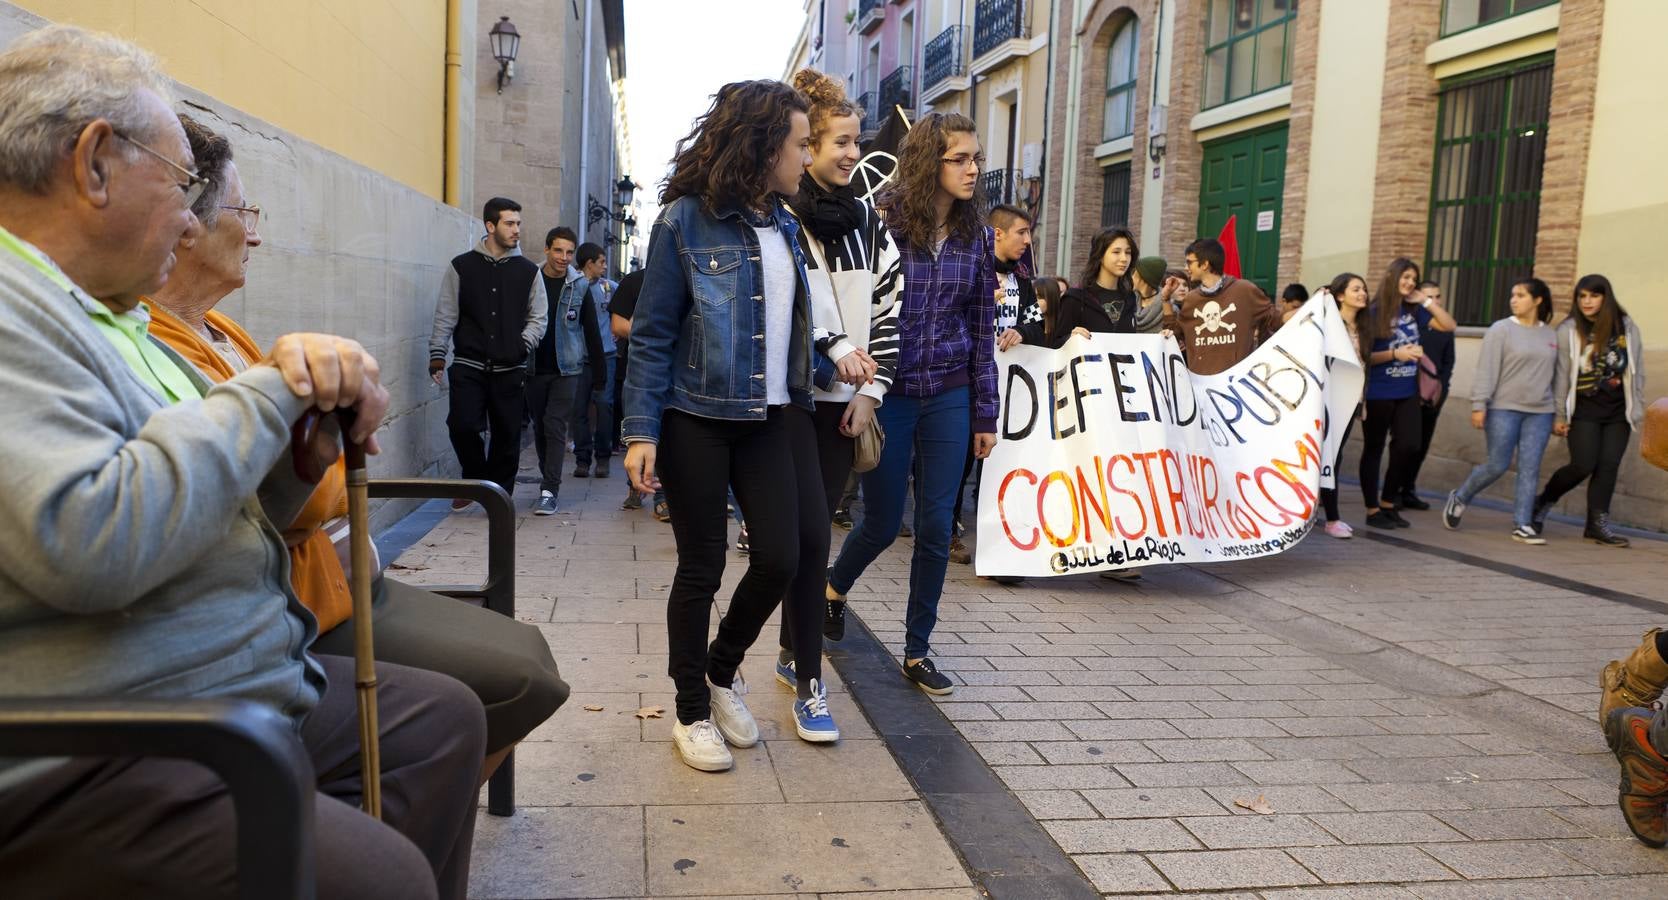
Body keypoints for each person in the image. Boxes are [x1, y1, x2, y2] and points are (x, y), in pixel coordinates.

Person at [0, 26, 481, 899]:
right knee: (384, 878)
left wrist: (305, 447)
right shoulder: (13, 311)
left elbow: (223, 497)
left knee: (439, 723)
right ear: (95, 163)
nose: (194, 217)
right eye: (183, 183)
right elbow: (87, 537)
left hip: (224, 695)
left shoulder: (111, 315)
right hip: (97, 749)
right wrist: (265, 392)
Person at [147, 112, 567, 773]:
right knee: (512, 682)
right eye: (244, 210)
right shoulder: (157, 346)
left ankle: (419, 806)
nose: (257, 233)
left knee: (532, 658)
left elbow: (306, 471)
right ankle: (410, 815)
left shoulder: (224, 331)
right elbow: (301, 499)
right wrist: (330, 460)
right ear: (186, 225)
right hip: (305, 605)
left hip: (338, 581)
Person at [621, 79, 839, 770]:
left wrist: (834, 364)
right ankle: (690, 711)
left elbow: (791, 328)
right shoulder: (684, 221)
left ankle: (720, 674)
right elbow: (652, 333)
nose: (806, 158)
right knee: (702, 567)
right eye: (800, 144)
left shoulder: (784, 225)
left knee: (782, 555)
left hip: (773, 415)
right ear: (763, 142)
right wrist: (639, 430)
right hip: (697, 418)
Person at [825, 111, 1000, 696]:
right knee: (879, 523)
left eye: (976, 158)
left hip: (950, 392)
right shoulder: (885, 223)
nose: (973, 169)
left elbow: (981, 326)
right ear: (930, 162)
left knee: (933, 524)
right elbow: (862, 307)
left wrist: (985, 413)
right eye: (960, 159)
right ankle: (834, 586)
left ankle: (918, 649)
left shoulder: (979, 236)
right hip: (891, 391)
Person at [780, 67, 898, 645]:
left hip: (846, 408)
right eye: (840, 142)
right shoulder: (780, 219)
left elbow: (893, 308)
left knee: (817, 535)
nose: (854, 154)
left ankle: (794, 652)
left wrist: (871, 395)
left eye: (858, 142)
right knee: (790, 539)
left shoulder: (872, 225)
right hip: (790, 399)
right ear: (808, 147)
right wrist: (834, 356)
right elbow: (788, 312)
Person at [429, 196, 548, 500]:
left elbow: (539, 317)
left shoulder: (528, 271)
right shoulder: (461, 266)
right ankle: (475, 480)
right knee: (462, 426)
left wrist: (522, 346)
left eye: (518, 223)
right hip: (469, 365)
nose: (516, 230)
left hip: (510, 368)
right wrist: (438, 354)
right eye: (510, 223)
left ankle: (499, 498)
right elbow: (446, 313)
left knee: (507, 438)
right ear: (490, 225)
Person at [1440, 278, 1557, 543]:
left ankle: (1522, 524)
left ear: (1538, 300)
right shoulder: (1500, 329)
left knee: (1530, 467)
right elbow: (1486, 369)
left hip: (1541, 411)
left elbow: (1558, 376)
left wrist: (1559, 412)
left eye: (1521, 295)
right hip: (1504, 408)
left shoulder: (1550, 334)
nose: (1514, 300)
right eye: (1513, 295)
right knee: (1497, 464)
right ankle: (1461, 496)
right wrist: (1479, 404)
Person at [1533, 274, 1647, 546]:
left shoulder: (1626, 327)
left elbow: (1637, 369)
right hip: (1584, 408)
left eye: (1594, 296)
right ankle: (1543, 502)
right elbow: (1561, 375)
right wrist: (1560, 413)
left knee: (1608, 465)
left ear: (1605, 298)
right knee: (1583, 464)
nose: (1587, 301)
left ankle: (1596, 524)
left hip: (1618, 410)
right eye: (1582, 296)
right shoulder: (1569, 330)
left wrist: (1637, 406)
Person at [950, 203, 1035, 567]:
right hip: (966, 379)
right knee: (959, 459)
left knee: (996, 456)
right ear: (997, 233)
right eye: (1022, 233)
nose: (1027, 241)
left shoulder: (1023, 281)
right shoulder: (972, 270)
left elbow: (1039, 325)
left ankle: (993, 527)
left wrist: (1023, 331)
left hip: (1008, 387)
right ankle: (946, 529)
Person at [1358, 257, 1457, 529]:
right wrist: (1395, 353)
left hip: (1408, 390)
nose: (1410, 282)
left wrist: (1425, 301)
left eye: (1414, 278)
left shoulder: (1415, 310)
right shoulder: (1373, 310)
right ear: (1392, 277)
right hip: (1379, 391)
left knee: (1409, 445)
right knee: (1374, 449)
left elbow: (1449, 325)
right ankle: (1372, 509)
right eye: (1405, 277)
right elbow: (1364, 355)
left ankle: (1389, 502)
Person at [528, 228, 605, 515]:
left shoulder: (580, 285)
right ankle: (548, 476)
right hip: (534, 367)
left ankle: (550, 489)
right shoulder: (530, 279)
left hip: (568, 368)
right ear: (547, 249)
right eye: (558, 251)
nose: (564, 257)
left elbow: (592, 330)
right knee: (540, 426)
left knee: (555, 425)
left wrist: (600, 373)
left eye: (569, 252)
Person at [1169, 238, 1285, 375]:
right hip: (1200, 388)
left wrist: (1312, 307)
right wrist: (1165, 300)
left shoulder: (1245, 290)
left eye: (1189, 262)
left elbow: (1277, 319)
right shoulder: (1191, 299)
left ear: (1205, 264)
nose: (1186, 268)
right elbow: (1173, 335)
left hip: (1235, 387)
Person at [1315, 273, 1370, 539]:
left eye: (1364, 290)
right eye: (1356, 289)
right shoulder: (1326, 322)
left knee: (1334, 456)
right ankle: (1332, 519)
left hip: (1353, 401)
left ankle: (1325, 512)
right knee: (1329, 458)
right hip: (1327, 401)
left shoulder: (1364, 326)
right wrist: (1316, 302)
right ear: (1340, 295)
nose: (1362, 294)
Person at [1043, 228, 1165, 347]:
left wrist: (1161, 339)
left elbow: (1133, 343)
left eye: (1128, 252)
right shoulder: (1075, 298)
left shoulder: (1130, 298)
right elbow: (1055, 345)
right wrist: (1070, 338)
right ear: (1100, 255)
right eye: (1116, 252)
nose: (1124, 259)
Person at [1401, 280, 1456, 509]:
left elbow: (1448, 363)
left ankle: (1409, 490)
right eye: (1428, 297)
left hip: (1433, 398)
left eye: (1437, 296)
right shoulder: (1412, 324)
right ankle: (1393, 491)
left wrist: (1439, 393)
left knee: (1422, 446)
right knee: (1407, 445)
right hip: (1408, 395)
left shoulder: (1444, 328)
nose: (1434, 301)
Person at [571, 247, 616, 479]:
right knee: (578, 410)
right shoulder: (573, 287)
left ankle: (603, 458)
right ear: (589, 263)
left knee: (604, 406)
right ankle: (582, 459)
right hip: (578, 360)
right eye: (601, 262)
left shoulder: (608, 288)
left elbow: (629, 305)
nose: (605, 266)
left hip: (606, 357)